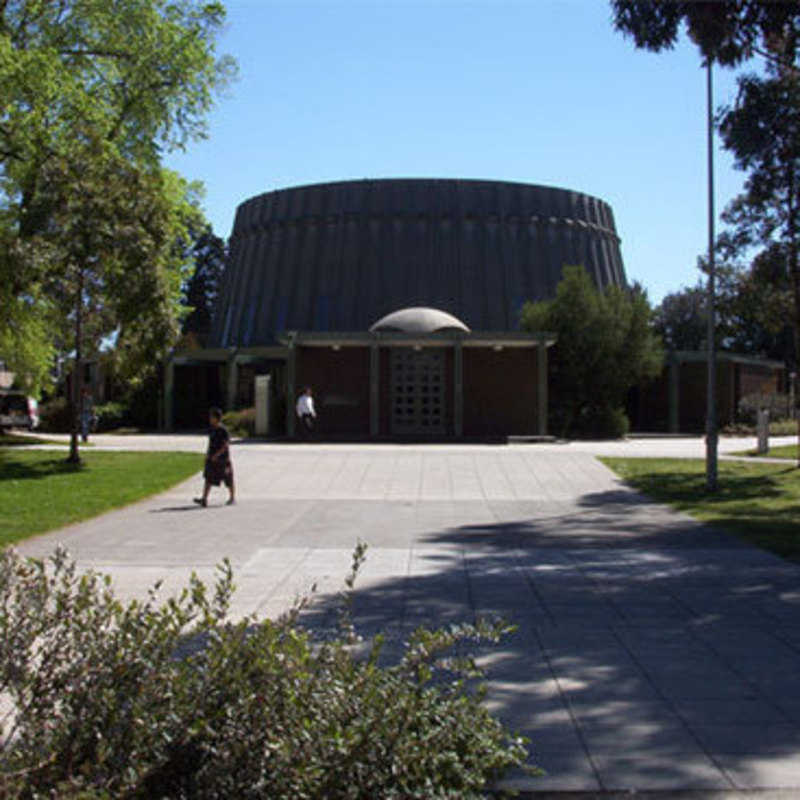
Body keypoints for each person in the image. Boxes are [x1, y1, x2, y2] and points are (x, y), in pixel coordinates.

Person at [194, 407, 235, 507]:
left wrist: (217, 455)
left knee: (228, 479)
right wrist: (207, 455)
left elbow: (225, 445)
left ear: (217, 418)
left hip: (223, 460)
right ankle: (204, 499)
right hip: (211, 458)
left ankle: (232, 498)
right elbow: (210, 443)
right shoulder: (212, 429)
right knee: (208, 478)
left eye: (212, 417)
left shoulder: (223, 430)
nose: (210, 419)